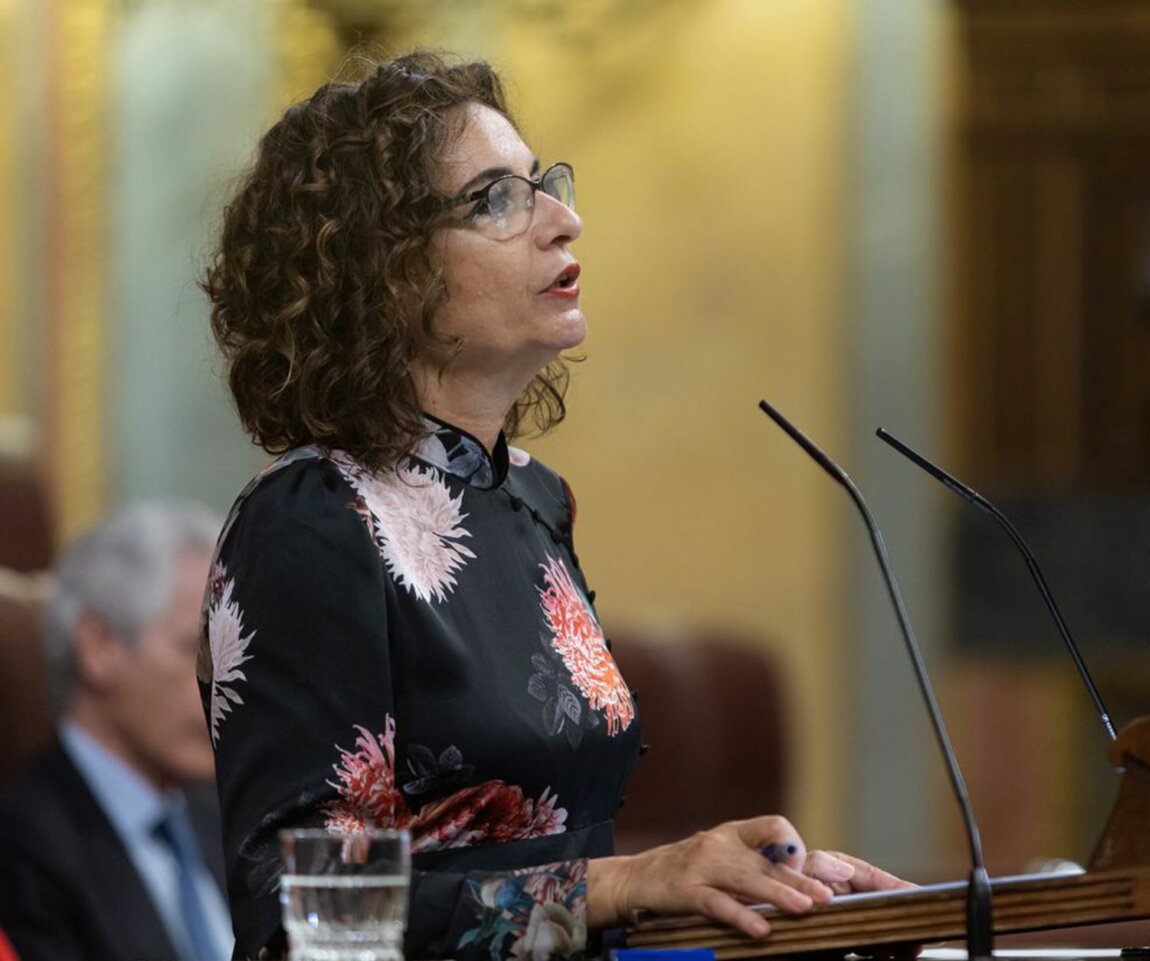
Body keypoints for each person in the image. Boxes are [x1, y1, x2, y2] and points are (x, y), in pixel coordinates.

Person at [200, 49, 909, 961]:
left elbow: (566, 880)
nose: (564, 222)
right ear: (387, 272)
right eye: (497, 199)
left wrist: (763, 891)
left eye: (546, 186)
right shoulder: (312, 520)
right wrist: (626, 883)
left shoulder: (530, 497)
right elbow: (294, 922)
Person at [0, 502, 235, 961]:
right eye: (196, 649)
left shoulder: (223, 815)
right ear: (99, 646)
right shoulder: (21, 845)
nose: (225, 685)